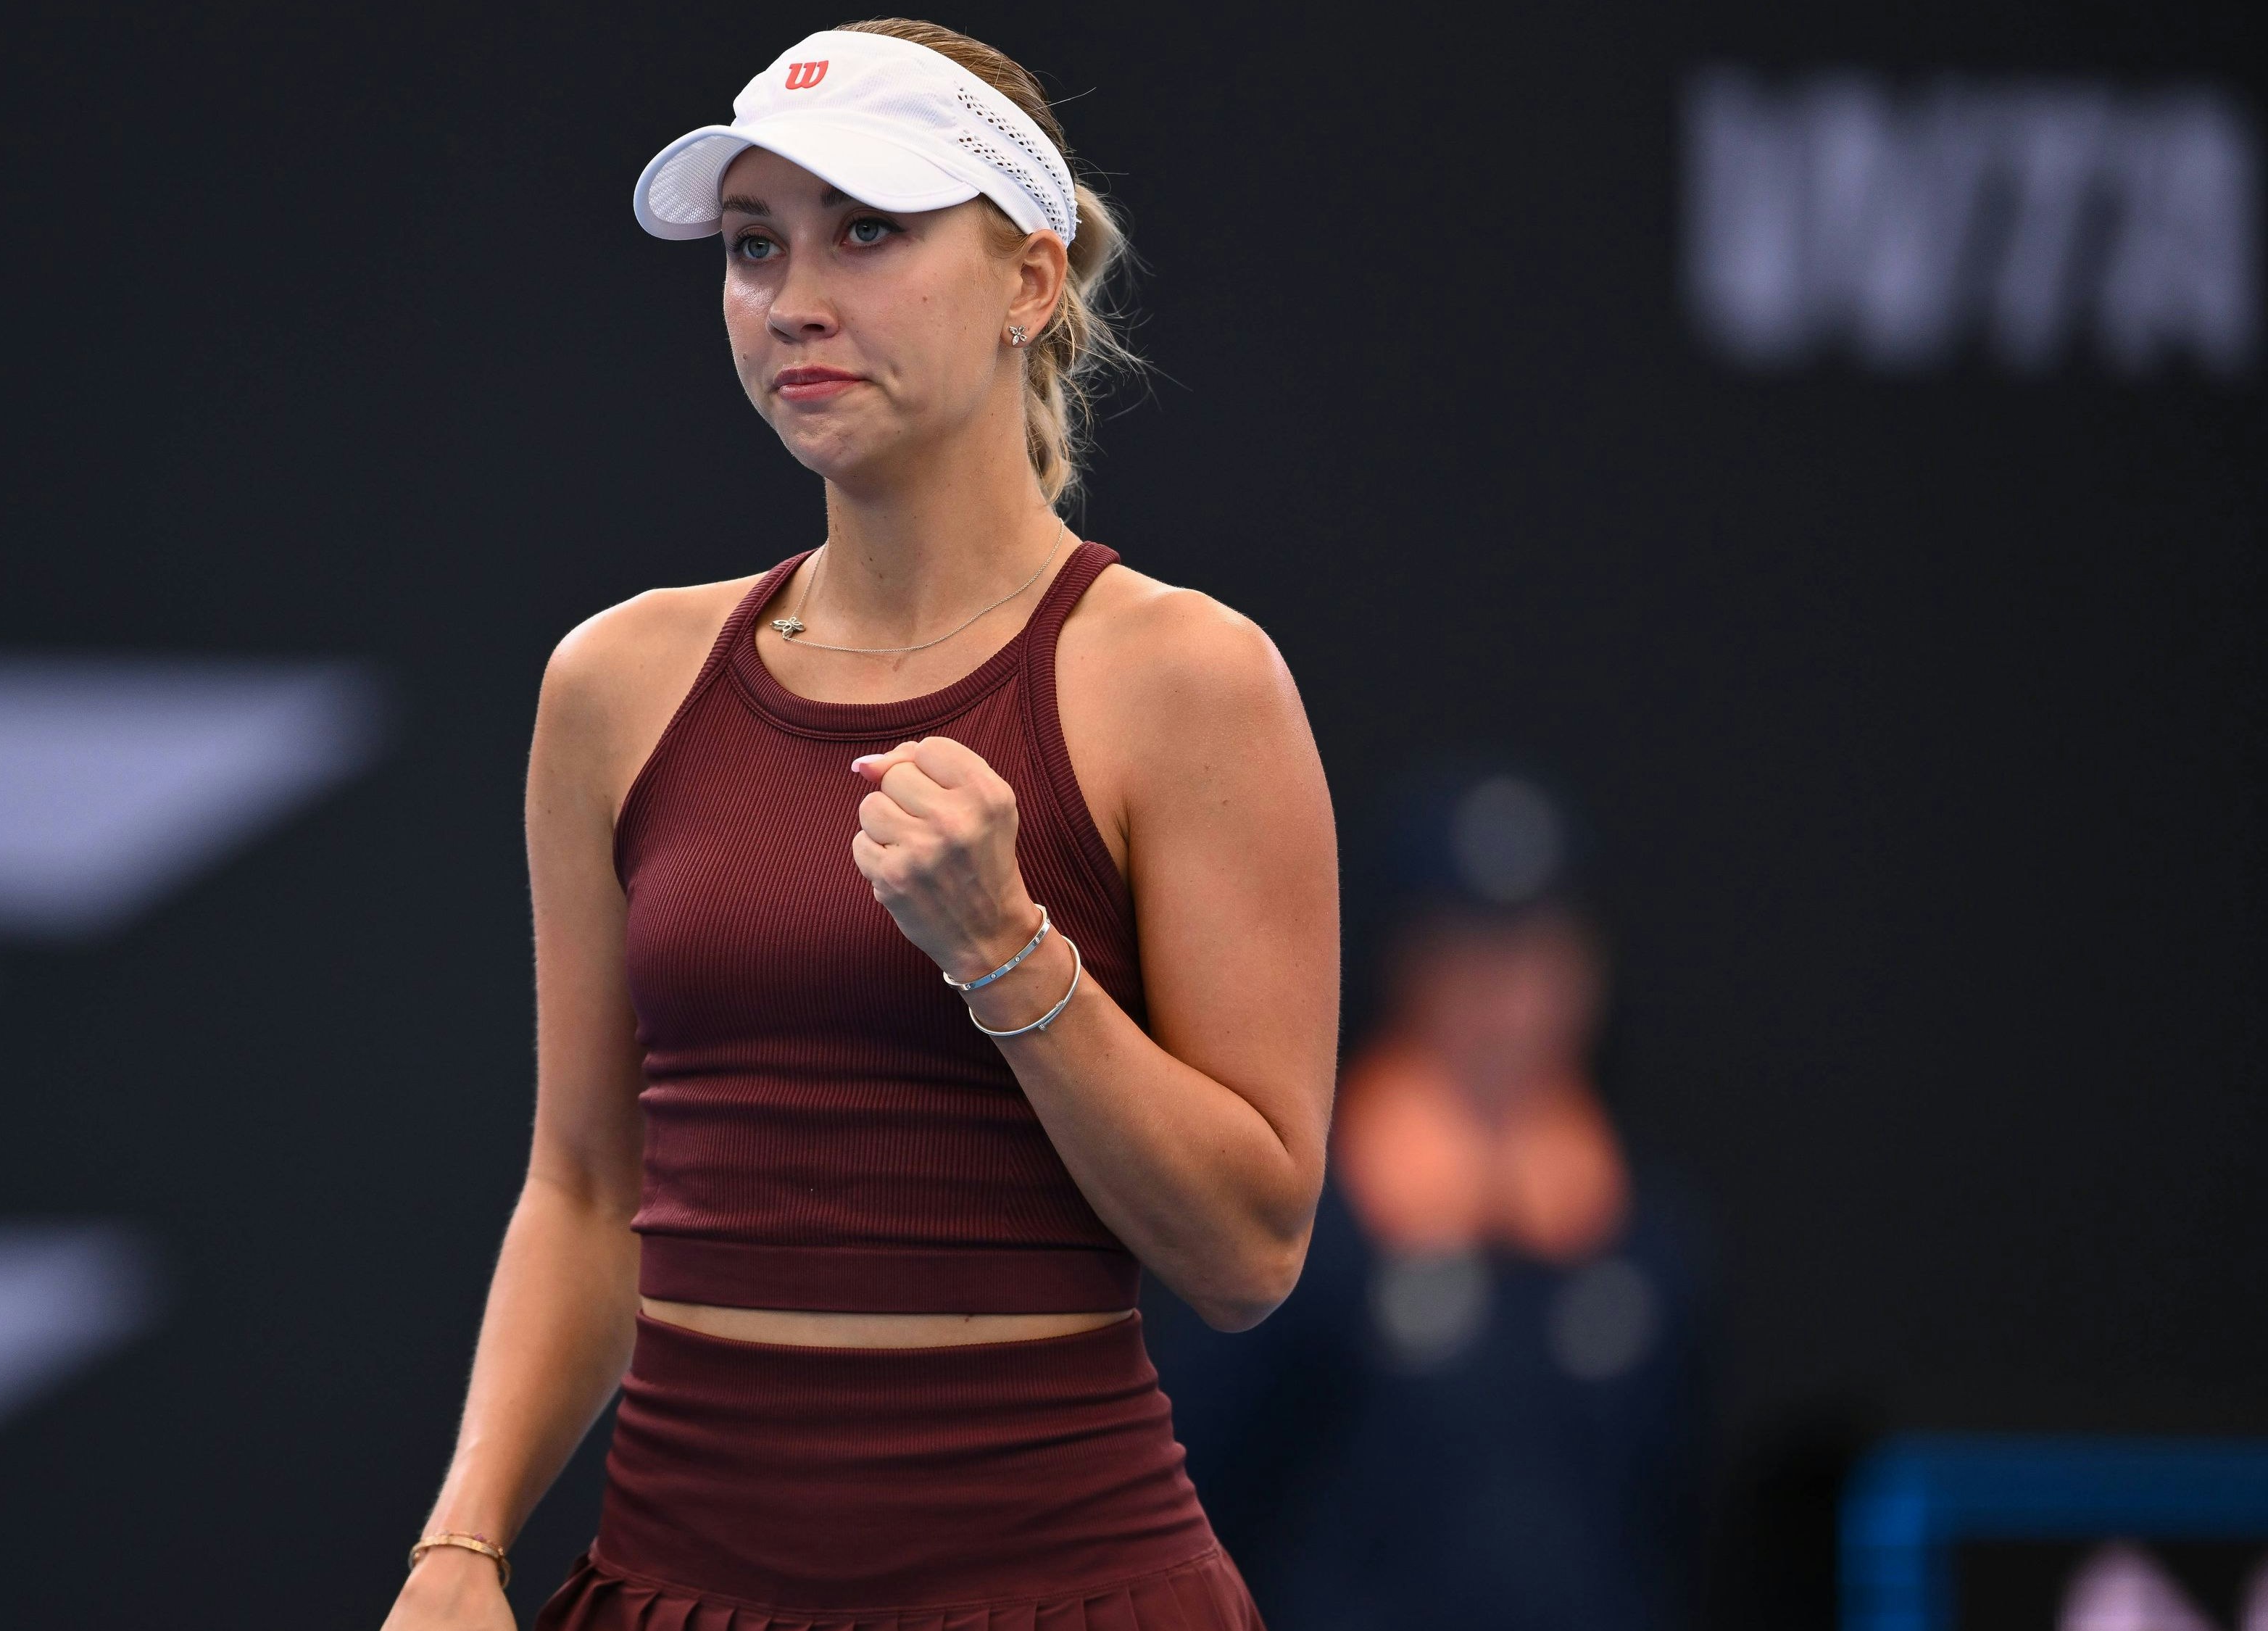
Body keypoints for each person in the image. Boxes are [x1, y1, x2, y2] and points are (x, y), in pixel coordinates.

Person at [378, 20, 1337, 1631]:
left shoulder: (1185, 680)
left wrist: (1003, 950)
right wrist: (460, 1546)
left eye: (867, 232)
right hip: (673, 1591)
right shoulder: (614, 684)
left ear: (1029, 279)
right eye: (754, 246)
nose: (791, 299)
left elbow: (1248, 1253)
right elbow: (581, 1190)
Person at [1150, 771, 1708, 1631]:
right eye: (1471, 962)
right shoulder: (1297, 1218)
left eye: (1539, 956)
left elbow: (1678, 1506)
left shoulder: (1644, 1229)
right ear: (1401, 969)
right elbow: (1201, 1486)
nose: (1511, 1006)